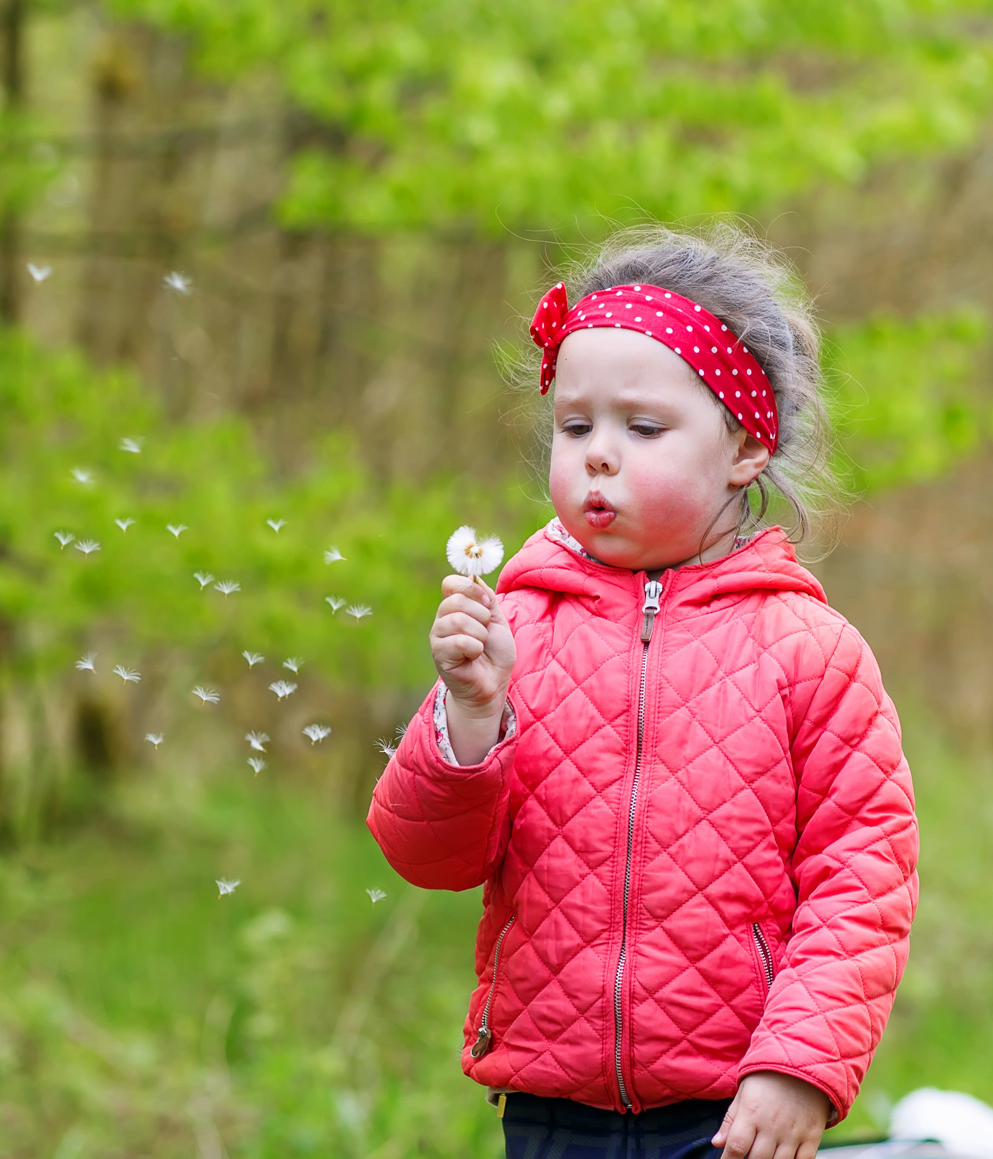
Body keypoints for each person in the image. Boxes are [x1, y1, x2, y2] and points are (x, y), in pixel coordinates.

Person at [368, 225, 919, 1159]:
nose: (598, 454)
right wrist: (469, 715)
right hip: (550, 1108)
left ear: (744, 447)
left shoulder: (807, 650)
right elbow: (428, 855)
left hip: (732, 1110)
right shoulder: (518, 631)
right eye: (575, 426)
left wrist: (798, 1066)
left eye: (644, 428)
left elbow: (861, 878)